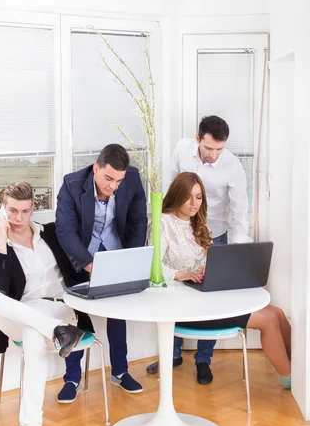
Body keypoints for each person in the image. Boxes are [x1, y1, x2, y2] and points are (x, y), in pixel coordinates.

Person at [0, 182, 93, 426]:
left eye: (24, 211)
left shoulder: (50, 234)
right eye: (12, 211)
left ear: (32, 209)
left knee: (34, 335)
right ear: (3, 208)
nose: (18, 217)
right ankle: (58, 332)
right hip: (20, 312)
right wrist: (2, 241)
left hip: (59, 308)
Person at [150, 171, 291, 386]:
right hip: (185, 306)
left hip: (208, 297)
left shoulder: (199, 225)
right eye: (188, 197)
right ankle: (291, 379)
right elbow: (153, 268)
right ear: (177, 195)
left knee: (278, 313)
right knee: (268, 320)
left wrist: (215, 269)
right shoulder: (163, 223)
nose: (193, 203)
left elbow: (208, 261)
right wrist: (182, 274)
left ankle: (300, 371)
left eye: (198, 197)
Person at [147, 114, 251, 375]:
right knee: (174, 292)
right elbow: (172, 187)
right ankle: (172, 354)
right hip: (179, 225)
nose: (214, 155)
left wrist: (236, 254)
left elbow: (239, 211)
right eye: (208, 148)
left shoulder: (233, 166)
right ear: (197, 139)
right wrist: (163, 224)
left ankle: (204, 359)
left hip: (214, 233)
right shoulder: (182, 150)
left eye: (219, 149)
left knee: (211, 300)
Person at [55, 143, 147, 402]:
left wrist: (131, 258)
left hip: (115, 253)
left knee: (118, 314)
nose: (113, 186)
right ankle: (72, 378)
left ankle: (120, 371)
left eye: (118, 180)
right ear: (96, 168)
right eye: (108, 178)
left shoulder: (132, 179)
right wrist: (89, 265)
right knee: (76, 317)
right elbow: (65, 230)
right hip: (82, 257)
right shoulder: (72, 185)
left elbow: (139, 220)